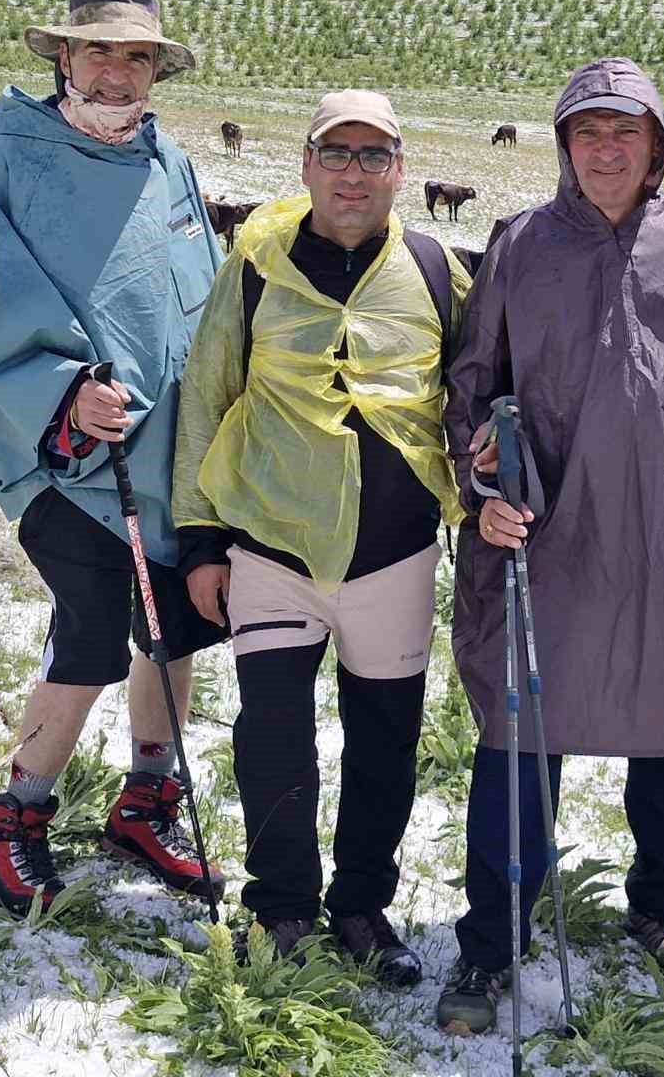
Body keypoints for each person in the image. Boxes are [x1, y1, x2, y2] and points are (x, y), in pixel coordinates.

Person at [435, 57, 664, 1033]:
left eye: (622, 131)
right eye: (584, 132)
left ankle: (658, 912)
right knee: (519, 736)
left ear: (655, 141)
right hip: (544, 538)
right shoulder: (520, 244)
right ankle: (490, 941)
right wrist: (477, 486)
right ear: (562, 146)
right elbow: (472, 382)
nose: (604, 149)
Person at [0, 0, 227, 917]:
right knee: (91, 642)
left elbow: (196, 289)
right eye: (97, 53)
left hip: (174, 462)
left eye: (136, 57)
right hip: (77, 459)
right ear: (62, 60)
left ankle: (147, 801)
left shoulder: (169, 160)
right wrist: (63, 393)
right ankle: (13, 821)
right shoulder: (13, 162)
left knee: (173, 630)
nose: (116, 72)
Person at [172, 90, 469, 986]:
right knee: (273, 735)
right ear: (305, 165)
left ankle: (362, 907)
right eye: (335, 153)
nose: (353, 172)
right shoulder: (255, 264)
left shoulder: (434, 267)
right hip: (269, 545)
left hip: (396, 555)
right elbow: (206, 393)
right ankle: (283, 905)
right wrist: (200, 540)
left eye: (373, 155)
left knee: (385, 736)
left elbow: (470, 388)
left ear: (401, 172)